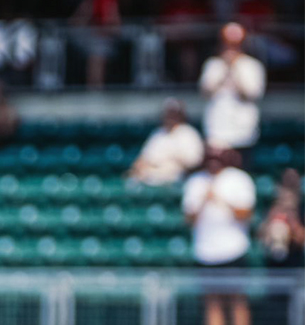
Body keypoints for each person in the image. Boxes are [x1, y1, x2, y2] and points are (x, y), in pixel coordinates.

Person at [182, 147, 255, 325]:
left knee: (236, 300)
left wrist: (221, 199)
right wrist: (204, 200)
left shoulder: (238, 178)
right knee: (212, 302)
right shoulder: (196, 181)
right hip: (206, 252)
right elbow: (189, 218)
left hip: (233, 250)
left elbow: (245, 214)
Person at [199, 22, 266, 160]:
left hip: (243, 134)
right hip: (216, 133)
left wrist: (234, 68)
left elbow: (251, 94)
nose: (231, 47)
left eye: (235, 43)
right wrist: (224, 69)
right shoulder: (213, 65)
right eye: (227, 42)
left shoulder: (252, 66)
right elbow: (205, 92)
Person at [128, 98, 204, 186]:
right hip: (151, 177)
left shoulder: (189, 133)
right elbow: (143, 159)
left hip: (177, 179)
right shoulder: (158, 133)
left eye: (173, 113)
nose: (170, 117)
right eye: (168, 113)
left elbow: (194, 162)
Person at [258, 168, 304, 268]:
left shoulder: (301, 209)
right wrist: (272, 218)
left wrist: (292, 223)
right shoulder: (271, 209)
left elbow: (301, 239)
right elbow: (260, 236)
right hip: (271, 266)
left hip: (295, 264)